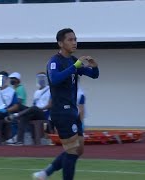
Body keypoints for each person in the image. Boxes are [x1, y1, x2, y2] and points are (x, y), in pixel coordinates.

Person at [33, 28, 99, 180]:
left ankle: (46, 173)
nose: (74, 42)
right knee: (72, 151)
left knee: (78, 149)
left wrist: (94, 66)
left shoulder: (72, 60)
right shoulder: (54, 62)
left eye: (75, 39)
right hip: (61, 112)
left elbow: (94, 75)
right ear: (60, 43)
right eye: (70, 40)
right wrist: (75, 66)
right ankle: (48, 174)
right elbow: (55, 80)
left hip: (72, 111)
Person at [5, 72, 51, 145]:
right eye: (39, 78)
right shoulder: (36, 92)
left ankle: (16, 115)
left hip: (43, 113)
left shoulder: (50, 90)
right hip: (34, 111)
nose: (40, 80)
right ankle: (19, 141)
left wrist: (40, 108)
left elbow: (50, 105)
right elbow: (34, 104)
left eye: (42, 78)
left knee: (34, 108)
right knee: (23, 112)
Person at [6, 72, 27, 142]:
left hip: (20, 109)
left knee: (13, 117)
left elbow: (19, 101)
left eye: (13, 79)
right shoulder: (12, 89)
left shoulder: (20, 88)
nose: (12, 80)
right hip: (14, 108)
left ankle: (15, 136)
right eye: (11, 79)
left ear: (18, 80)